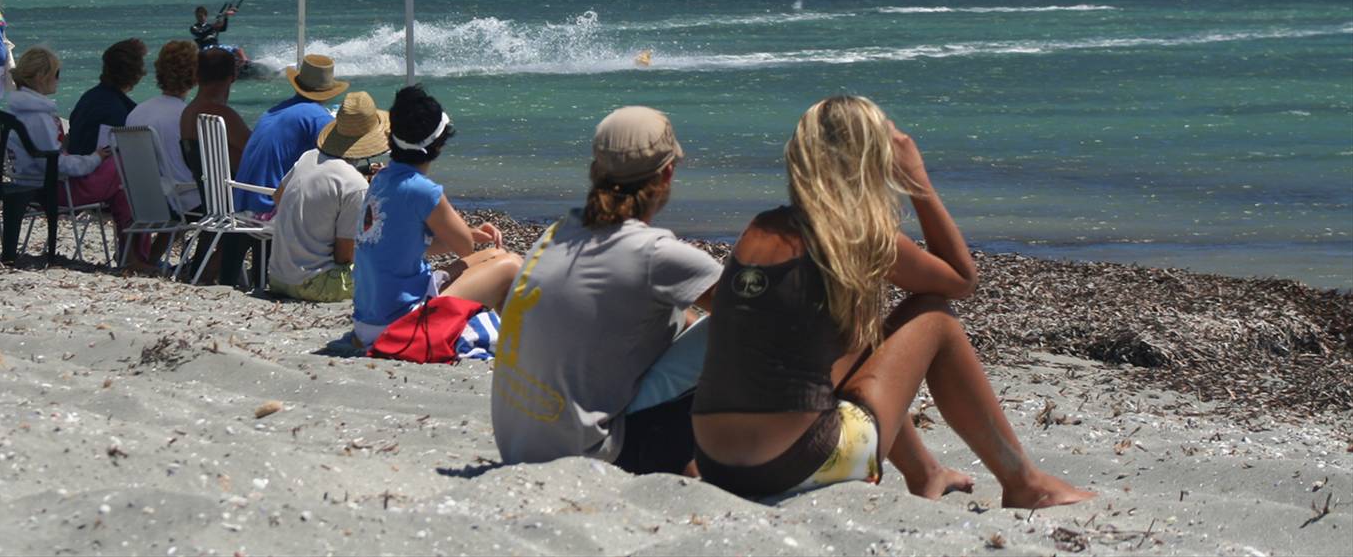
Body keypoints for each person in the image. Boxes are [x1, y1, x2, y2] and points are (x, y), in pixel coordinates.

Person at [691, 96, 1092, 508]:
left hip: (716, 463)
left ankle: (926, 473)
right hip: (797, 462)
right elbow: (961, 280)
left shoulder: (759, 227)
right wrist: (917, 180)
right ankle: (1024, 483)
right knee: (934, 316)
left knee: (865, 340)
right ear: (871, 158)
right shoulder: (854, 234)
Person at [492, 107, 721, 476]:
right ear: (667, 173)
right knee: (738, 324)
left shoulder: (558, 233)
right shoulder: (654, 254)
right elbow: (758, 312)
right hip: (590, 453)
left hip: (517, 444)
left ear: (595, 170)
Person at [352, 85, 522, 347]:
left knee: (494, 255)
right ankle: (520, 341)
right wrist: (466, 234)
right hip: (400, 322)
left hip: (369, 319)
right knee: (511, 265)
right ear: (439, 145)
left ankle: (511, 336)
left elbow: (407, 247)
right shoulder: (422, 190)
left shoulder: (382, 178)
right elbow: (465, 247)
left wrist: (468, 233)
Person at [5, 45, 147, 268]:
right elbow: (57, 165)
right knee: (124, 170)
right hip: (53, 189)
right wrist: (95, 158)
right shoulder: (38, 117)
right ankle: (135, 255)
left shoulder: (18, 110)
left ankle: (133, 255)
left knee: (122, 187)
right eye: (57, 73)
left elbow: (49, 157)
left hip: (28, 182)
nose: (58, 79)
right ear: (41, 76)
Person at [267, 90, 388, 303]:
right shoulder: (355, 185)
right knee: (385, 266)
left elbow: (278, 197)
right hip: (315, 285)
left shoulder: (309, 157)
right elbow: (344, 256)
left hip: (278, 278)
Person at [178, 46, 255, 283]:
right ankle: (214, 270)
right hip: (232, 200)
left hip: (210, 198)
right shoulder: (221, 115)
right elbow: (256, 152)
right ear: (233, 76)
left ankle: (204, 268)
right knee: (270, 209)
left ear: (197, 76)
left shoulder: (188, 113)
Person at [235, 53, 347, 213]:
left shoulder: (275, 110)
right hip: (269, 209)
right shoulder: (317, 117)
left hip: (241, 205)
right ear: (329, 91)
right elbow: (341, 165)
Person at [123, 40, 201, 215]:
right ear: (196, 76)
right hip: (186, 204)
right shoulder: (186, 116)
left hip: (147, 205)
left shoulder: (136, 113)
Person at [66, 38, 146, 162]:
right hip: (95, 172)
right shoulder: (120, 113)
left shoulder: (88, 98)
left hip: (75, 167)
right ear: (137, 73)